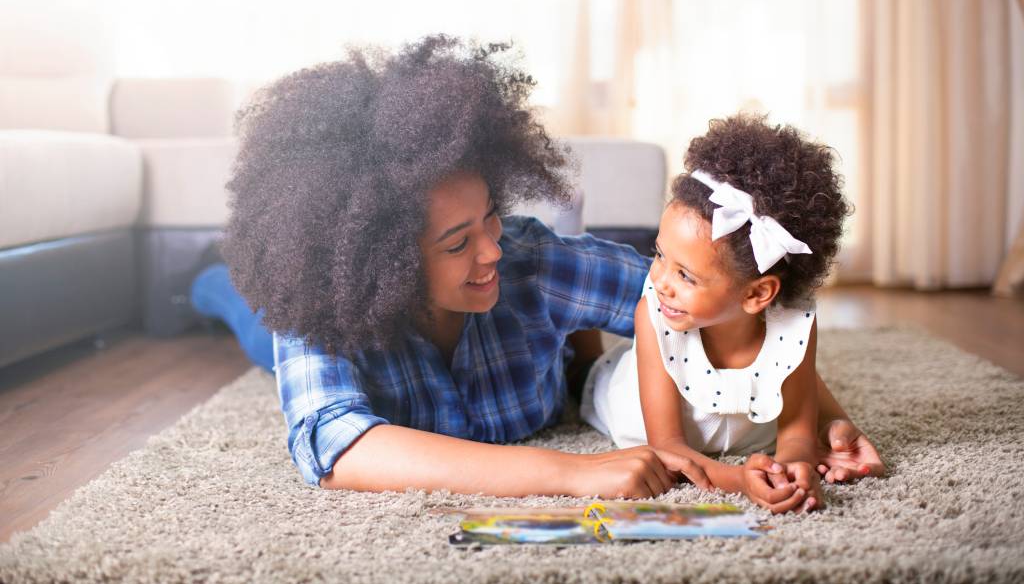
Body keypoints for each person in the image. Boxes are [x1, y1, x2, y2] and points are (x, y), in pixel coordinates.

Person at [203, 35, 882, 498]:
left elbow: (729, 304)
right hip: (291, 310)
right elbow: (334, 447)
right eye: (456, 243)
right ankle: (211, 278)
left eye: (490, 215)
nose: (492, 249)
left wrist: (828, 421)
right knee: (250, 315)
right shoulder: (321, 298)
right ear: (380, 262)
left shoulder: (528, 263)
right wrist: (570, 473)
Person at [580, 115, 879, 513]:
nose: (661, 281)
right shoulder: (653, 313)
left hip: (742, 434)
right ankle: (576, 337)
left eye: (685, 275)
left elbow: (795, 432)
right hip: (630, 404)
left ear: (757, 294)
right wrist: (741, 481)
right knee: (583, 375)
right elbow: (669, 450)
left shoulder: (795, 326)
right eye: (659, 254)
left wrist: (794, 471)